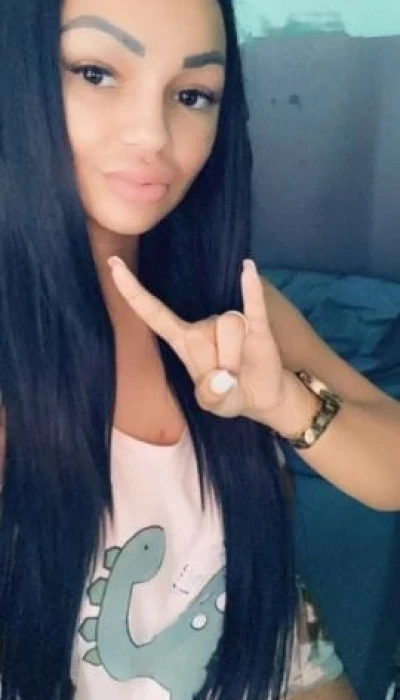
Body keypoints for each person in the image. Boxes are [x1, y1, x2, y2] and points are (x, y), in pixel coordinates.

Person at [0, 1, 398, 699]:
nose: (152, 135)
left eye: (192, 95)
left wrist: (284, 403)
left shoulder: (235, 307)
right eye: (95, 72)